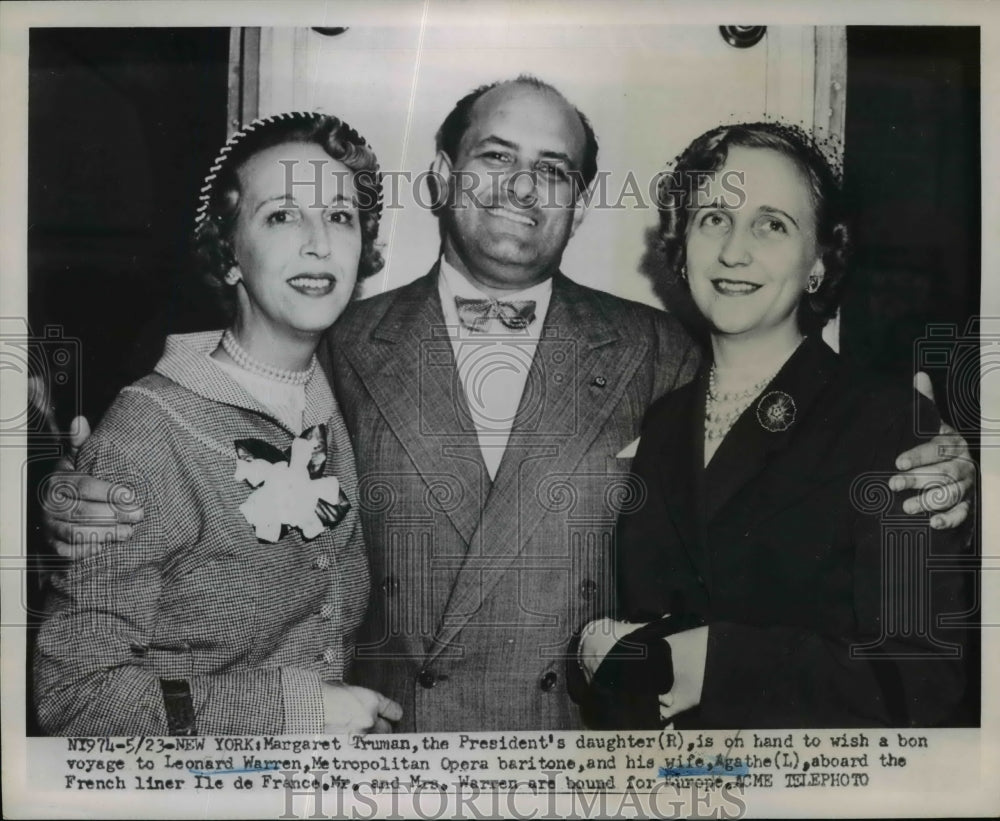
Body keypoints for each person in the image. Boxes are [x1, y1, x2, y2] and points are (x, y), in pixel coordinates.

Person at [43, 79, 974, 732]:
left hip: (577, 754)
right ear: (443, 177)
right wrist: (64, 490)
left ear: (578, 204)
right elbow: (207, 410)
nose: (523, 186)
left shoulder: (662, 350)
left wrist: (956, 462)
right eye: (495, 157)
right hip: (390, 751)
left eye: (555, 169)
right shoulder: (340, 335)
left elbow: (793, 448)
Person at [576, 122, 972, 728]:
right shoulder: (663, 422)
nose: (736, 251)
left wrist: (713, 663)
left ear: (819, 261)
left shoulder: (893, 425)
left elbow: (923, 684)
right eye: (714, 218)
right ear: (681, 247)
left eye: (772, 224)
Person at [34, 111, 402, 736]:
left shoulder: (344, 400)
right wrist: (288, 711)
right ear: (229, 254)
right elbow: (71, 697)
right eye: (282, 215)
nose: (319, 242)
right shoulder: (147, 432)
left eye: (340, 216)